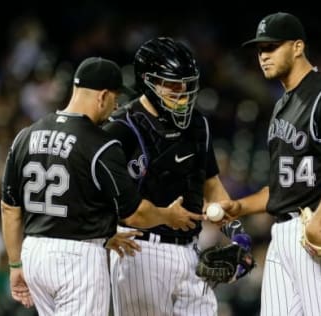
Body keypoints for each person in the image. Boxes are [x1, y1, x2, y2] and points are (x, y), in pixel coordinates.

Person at [0, 56, 204, 316]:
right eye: (115, 97)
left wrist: (15, 263)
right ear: (102, 96)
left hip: (34, 254)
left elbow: (9, 208)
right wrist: (168, 215)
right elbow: (135, 214)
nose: (116, 105)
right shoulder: (99, 143)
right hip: (77, 258)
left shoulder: (26, 135)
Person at [221, 12, 321, 315]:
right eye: (260, 50)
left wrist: (318, 223)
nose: (263, 56)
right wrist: (239, 207)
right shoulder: (282, 106)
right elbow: (282, 188)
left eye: (272, 47)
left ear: (298, 47)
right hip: (285, 232)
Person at [102, 37, 243, 316]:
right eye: (173, 86)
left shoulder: (198, 124)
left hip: (192, 250)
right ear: (147, 81)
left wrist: (237, 234)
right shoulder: (122, 127)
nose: (183, 94)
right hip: (140, 251)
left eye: (187, 86)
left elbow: (212, 185)